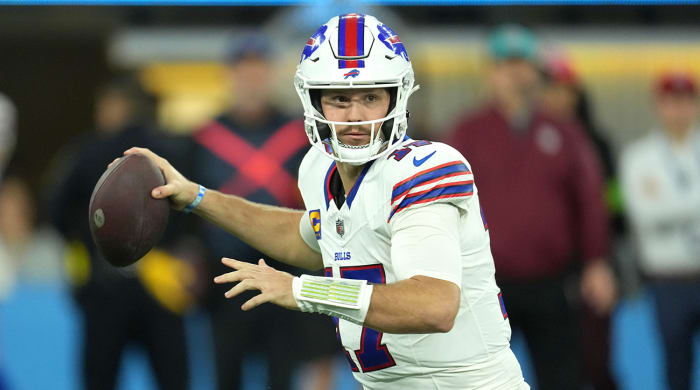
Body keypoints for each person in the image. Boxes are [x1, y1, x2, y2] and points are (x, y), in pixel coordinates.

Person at [115, 14, 529, 390]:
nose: (354, 116)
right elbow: (305, 241)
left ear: (396, 98)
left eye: (370, 97)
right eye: (339, 99)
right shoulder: (318, 167)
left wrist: (301, 290)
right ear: (313, 102)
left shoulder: (425, 168)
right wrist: (197, 197)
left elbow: (435, 305)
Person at [444, 25, 616, 390]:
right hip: (484, 284)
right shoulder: (467, 132)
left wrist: (597, 261)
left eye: (521, 63)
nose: (514, 73)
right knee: (479, 381)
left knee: (562, 378)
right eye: (504, 64)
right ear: (490, 73)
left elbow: (589, 200)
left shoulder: (565, 132)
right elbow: (443, 201)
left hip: (552, 283)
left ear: (535, 71)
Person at [190, 34, 338, 390]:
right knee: (227, 375)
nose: (251, 79)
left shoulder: (302, 134)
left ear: (269, 74)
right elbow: (189, 209)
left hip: (287, 270)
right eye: (243, 71)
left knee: (282, 374)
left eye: (258, 71)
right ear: (229, 75)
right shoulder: (202, 139)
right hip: (223, 276)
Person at [47, 76, 192, 390]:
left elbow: (56, 212)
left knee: (99, 380)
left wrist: (84, 252)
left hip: (104, 283)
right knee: (173, 380)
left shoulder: (87, 153)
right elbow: (195, 216)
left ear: (117, 107)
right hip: (163, 282)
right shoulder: (172, 154)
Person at [539, 54, 619, 390]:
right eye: (552, 89)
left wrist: (602, 255)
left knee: (595, 360)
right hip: (544, 272)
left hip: (590, 267)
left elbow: (615, 207)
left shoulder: (598, 144)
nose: (560, 98)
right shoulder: (528, 142)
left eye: (566, 90)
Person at [620, 71, 700, 390]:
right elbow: (644, 216)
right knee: (675, 367)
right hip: (668, 279)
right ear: (658, 106)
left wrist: (669, 205)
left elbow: (658, 213)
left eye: (685, 102)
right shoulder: (638, 157)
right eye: (671, 102)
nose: (678, 110)